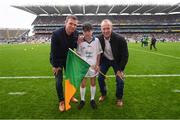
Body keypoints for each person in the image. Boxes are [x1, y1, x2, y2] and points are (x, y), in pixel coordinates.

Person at [50, 15, 80, 112]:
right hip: (57, 60)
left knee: (70, 79)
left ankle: (70, 97)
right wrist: (55, 66)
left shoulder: (76, 33)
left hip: (68, 59)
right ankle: (61, 101)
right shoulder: (56, 34)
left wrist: (79, 42)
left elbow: (74, 45)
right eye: (71, 23)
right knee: (59, 81)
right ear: (65, 23)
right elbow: (53, 51)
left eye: (75, 25)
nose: (73, 26)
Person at [97, 19, 129, 107]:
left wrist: (120, 69)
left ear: (112, 28)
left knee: (120, 80)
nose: (106, 31)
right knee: (100, 78)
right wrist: (98, 65)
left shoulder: (120, 39)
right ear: (101, 29)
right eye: (104, 28)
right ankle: (103, 94)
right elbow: (95, 51)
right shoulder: (98, 38)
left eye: (108, 28)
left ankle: (119, 98)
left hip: (117, 61)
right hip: (105, 60)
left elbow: (125, 55)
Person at [77, 23, 103, 110]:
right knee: (83, 84)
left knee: (93, 82)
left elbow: (99, 53)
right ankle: (82, 100)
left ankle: (92, 99)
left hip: (93, 66)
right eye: (85, 31)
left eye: (89, 31)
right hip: (83, 66)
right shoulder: (80, 41)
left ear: (92, 31)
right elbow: (78, 54)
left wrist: (97, 65)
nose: (87, 33)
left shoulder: (97, 40)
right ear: (83, 32)